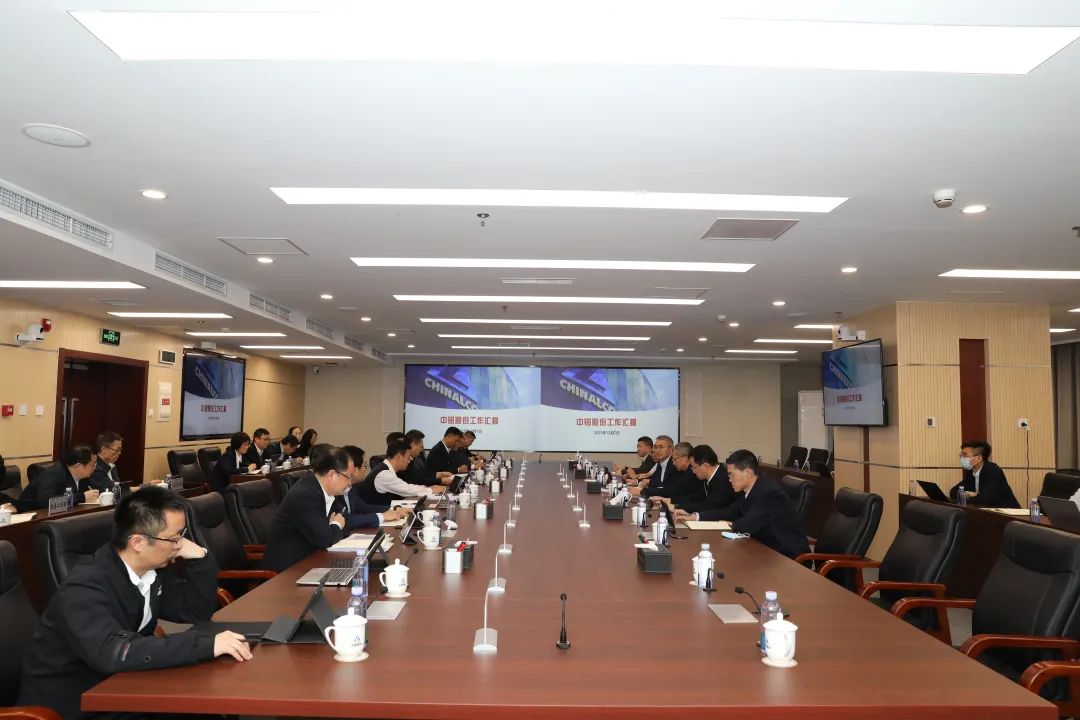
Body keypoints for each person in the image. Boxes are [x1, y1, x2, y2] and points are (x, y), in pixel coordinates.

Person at [18, 485, 252, 719]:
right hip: (74, 705)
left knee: (205, 705)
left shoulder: (152, 571)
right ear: (138, 542)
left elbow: (195, 612)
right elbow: (115, 651)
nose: (180, 545)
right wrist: (205, 645)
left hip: (121, 686)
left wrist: (200, 557)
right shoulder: (83, 586)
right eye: (174, 538)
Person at [675, 450, 810, 559]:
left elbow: (746, 525)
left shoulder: (768, 492)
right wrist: (696, 516)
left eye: (732, 475)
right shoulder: (752, 487)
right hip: (765, 549)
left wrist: (731, 524)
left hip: (787, 557)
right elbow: (730, 511)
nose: (729, 480)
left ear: (748, 473)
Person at [262, 446, 352, 572]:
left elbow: (346, 523)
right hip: (288, 571)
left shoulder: (325, 490)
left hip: (311, 560)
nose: (349, 483)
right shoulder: (306, 494)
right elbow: (325, 539)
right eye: (348, 476)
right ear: (332, 475)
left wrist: (335, 526)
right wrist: (336, 524)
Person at [355, 439, 446, 506]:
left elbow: (406, 487)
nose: (409, 461)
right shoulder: (384, 474)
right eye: (408, 457)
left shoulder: (384, 468)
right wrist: (430, 490)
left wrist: (427, 488)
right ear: (398, 456)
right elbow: (406, 489)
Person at [340, 446, 410, 531]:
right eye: (365, 466)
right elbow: (347, 520)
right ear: (355, 470)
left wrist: (393, 509)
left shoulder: (352, 488)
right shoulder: (336, 492)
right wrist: (381, 516)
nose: (366, 470)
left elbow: (364, 508)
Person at [17, 445, 100, 511]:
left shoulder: (83, 476)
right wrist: (82, 497)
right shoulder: (53, 474)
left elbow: (100, 490)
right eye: (93, 465)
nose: (95, 468)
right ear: (78, 466)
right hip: (31, 516)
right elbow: (47, 502)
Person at [948, 440, 1020, 508]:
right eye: (961, 454)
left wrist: (969, 495)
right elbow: (953, 492)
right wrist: (971, 495)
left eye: (965, 455)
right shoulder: (971, 472)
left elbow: (985, 500)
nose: (961, 457)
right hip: (987, 511)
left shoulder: (992, 470)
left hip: (1008, 513)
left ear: (979, 458)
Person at [675, 444, 736, 514]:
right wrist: (676, 505)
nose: (693, 471)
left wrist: (680, 508)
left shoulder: (723, 479)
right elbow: (697, 499)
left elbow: (711, 506)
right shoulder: (708, 478)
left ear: (705, 465)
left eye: (694, 467)